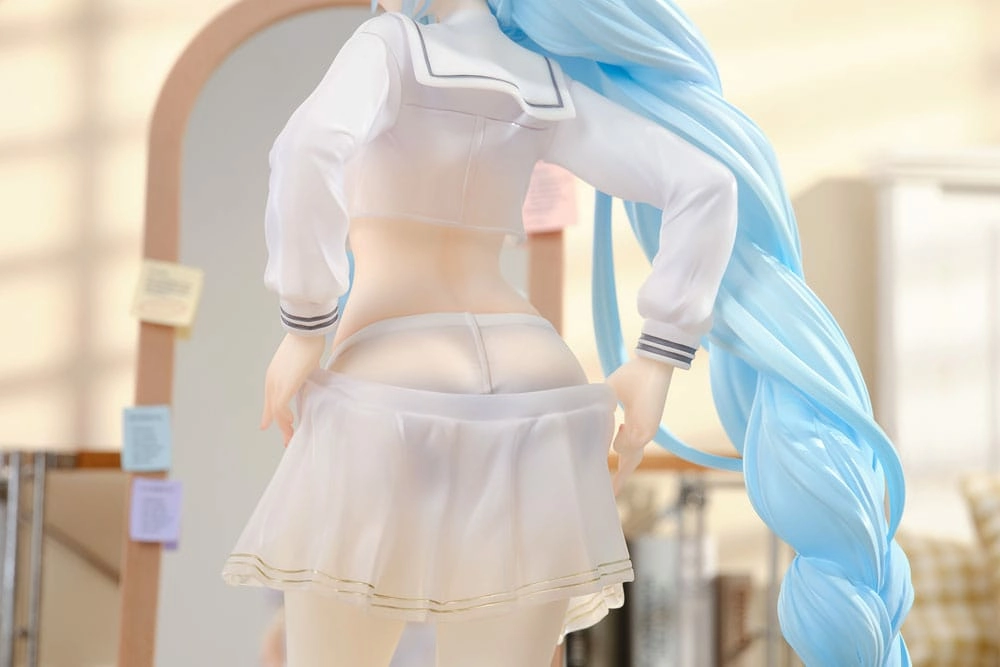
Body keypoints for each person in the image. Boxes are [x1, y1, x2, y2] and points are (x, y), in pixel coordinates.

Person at [224, 1, 913, 665]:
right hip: (539, 376)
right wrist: (656, 359)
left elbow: (309, 147)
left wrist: (305, 325)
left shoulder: (388, 46)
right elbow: (707, 183)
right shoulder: (543, 80)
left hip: (394, 365)